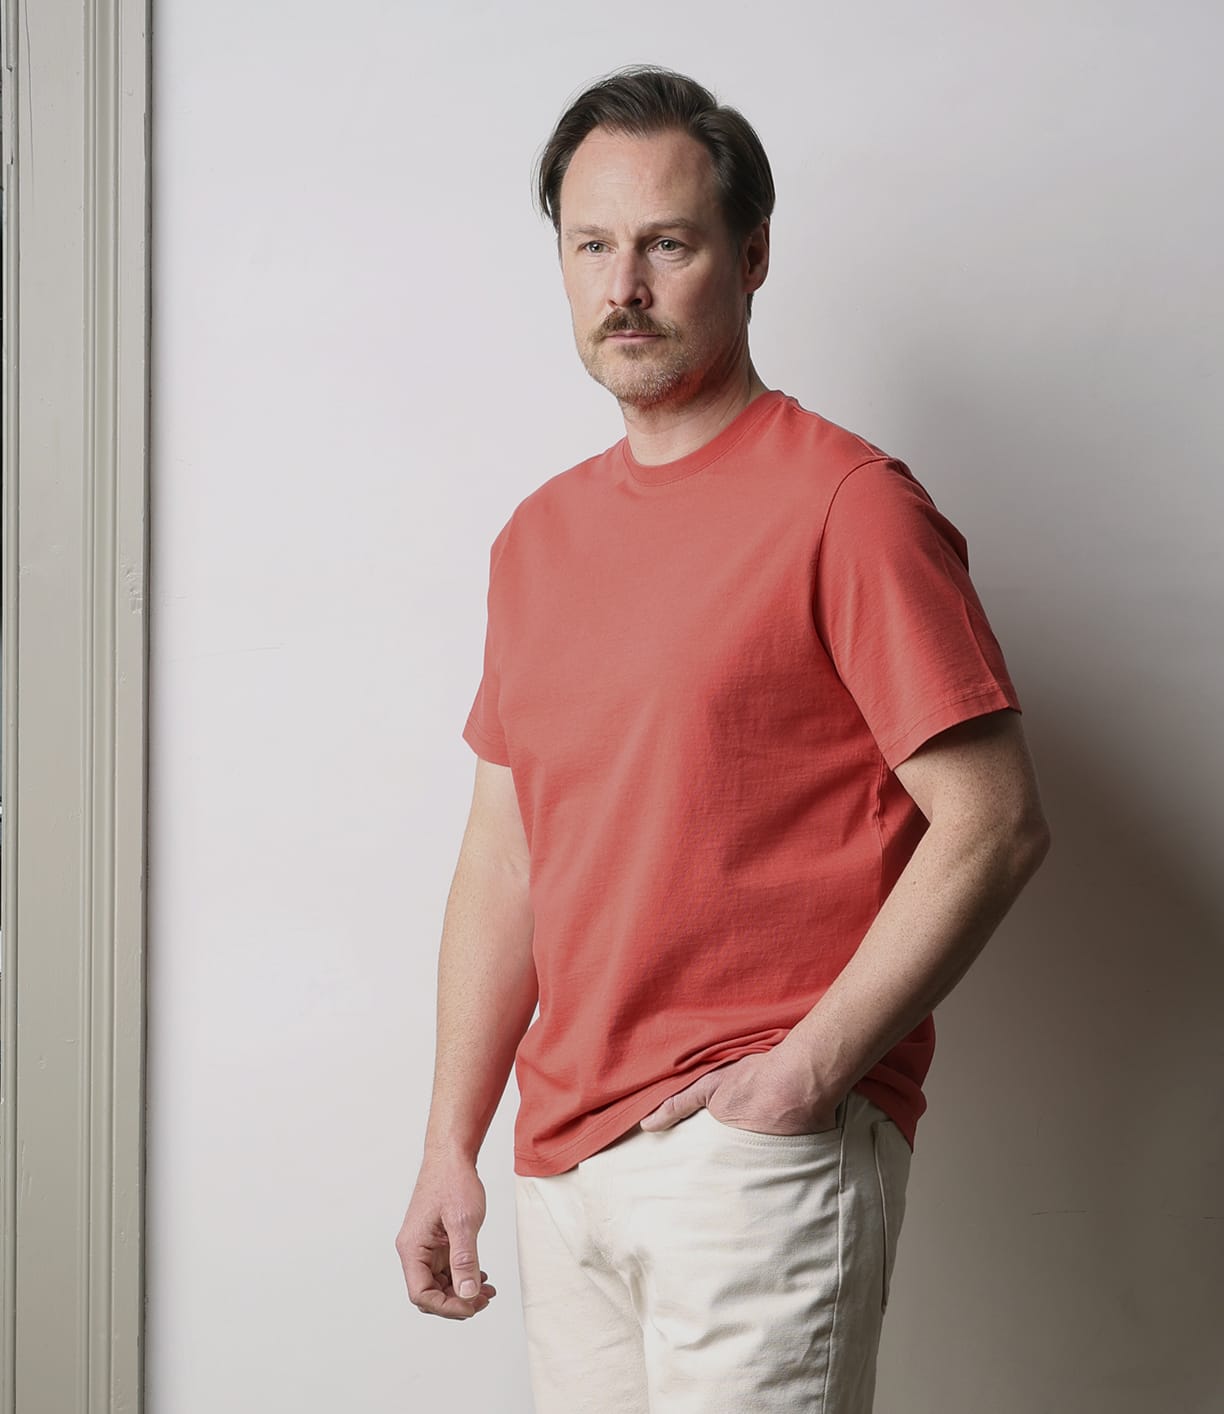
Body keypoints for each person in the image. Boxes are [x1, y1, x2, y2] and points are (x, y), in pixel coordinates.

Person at [396, 63, 1052, 1413]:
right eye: (592, 246)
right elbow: (506, 859)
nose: (623, 283)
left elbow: (995, 821)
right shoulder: (536, 541)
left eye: (667, 242)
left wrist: (807, 1071)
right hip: (561, 1162)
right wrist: (450, 1141)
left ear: (751, 257)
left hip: (748, 1153)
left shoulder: (847, 505)